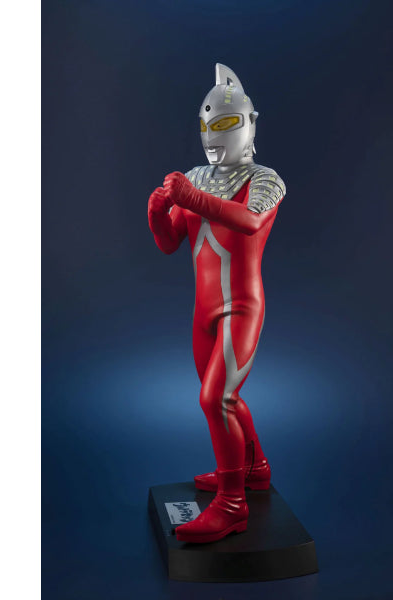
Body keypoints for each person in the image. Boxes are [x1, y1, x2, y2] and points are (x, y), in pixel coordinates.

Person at [148, 64, 286, 544]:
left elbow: (248, 222)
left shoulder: (266, 179)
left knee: (216, 398)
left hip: (240, 309)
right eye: (207, 124)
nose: (213, 134)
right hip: (203, 313)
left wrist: (190, 196)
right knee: (225, 398)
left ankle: (232, 504)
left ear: (249, 124)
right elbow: (170, 242)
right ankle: (255, 468)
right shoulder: (196, 178)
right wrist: (157, 213)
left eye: (225, 123)